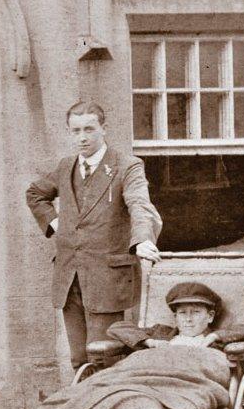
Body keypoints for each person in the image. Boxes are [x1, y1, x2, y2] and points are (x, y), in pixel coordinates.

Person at [26, 100, 163, 369]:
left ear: (104, 129)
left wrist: (143, 239)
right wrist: (55, 224)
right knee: (79, 361)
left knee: (105, 359)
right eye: (75, 131)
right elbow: (35, 194)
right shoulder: (66, 166)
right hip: (69, 278)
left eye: (89, 129)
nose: (82, 137)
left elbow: (139, 204)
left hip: (108, 280)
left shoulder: (127, 166)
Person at [107, 282, 244, 350]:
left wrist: (216, 336)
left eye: (196, 312)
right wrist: (149, 342)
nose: (188, 319)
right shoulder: (161, 333)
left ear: (210, 316)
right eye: (183, 313)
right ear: (175, 316)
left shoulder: (217, 341)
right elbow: (117, 327)